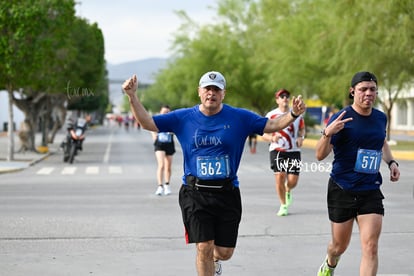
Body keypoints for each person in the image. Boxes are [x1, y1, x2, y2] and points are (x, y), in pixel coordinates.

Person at [122, 71, 306, 276]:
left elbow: (271, 125)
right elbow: (148, 122)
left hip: (227, 192)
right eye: (207, 89)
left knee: (224, 252)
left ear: (223, 93)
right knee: (204, 246)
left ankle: (215, 263)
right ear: (199, 92)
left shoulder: (239, 117)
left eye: (216, 89)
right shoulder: (183, 117)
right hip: (195, 193)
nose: (211, 93)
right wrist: (132, 97)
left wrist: (293, 114)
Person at [315, 71, 400, 276]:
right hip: (342, 188)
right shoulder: (341, 117)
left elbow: (381, 141)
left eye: (372, 89)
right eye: (363, 89)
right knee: (338, 246)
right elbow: (320, 155)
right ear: (353, 92)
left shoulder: (380, 118)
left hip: (370, 189)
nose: (368, 93)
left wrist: (391, 162)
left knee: (370, 246)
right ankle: (330, 263)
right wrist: (328, 133)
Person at [262, 89, 306, 216]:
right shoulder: (271, 115)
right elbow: (263, 134)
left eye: (287, 96)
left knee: (292, 181)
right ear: (277, 100)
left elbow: (302, 129)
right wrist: (271, 138)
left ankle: (288, 189)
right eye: (282, 96)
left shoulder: (297, 114)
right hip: (277, 150)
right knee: (280, 177)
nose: (285, 98)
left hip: (293, 151)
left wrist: (300, 138)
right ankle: (283, 205)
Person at [152, 105, 176, 196]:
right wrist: (154, 137)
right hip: (159, 144)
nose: (165, 113)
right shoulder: (157, 120)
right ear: (160, 112)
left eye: (167, 112)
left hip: (169, 143)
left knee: (168, 166)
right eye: (164, 112)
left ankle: (167, 184)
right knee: (161, 165)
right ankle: (160, 186)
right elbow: (152, 128)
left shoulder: (172, 121)